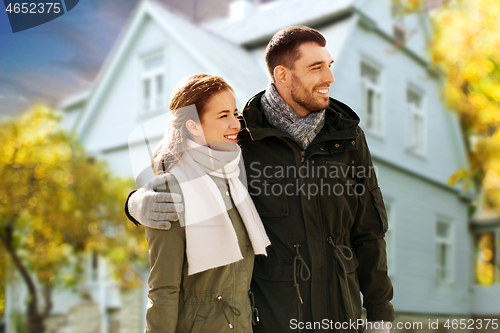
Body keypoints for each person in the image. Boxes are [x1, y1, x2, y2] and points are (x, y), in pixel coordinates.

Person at [126, 27, 394, 333]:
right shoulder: (242, 135)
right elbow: (182, 163)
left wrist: (379, 312)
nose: (329, 78)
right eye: (316, 68)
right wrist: (135, 202)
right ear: (282, 75)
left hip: (340, 314)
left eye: (329, 66)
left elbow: (369, 230)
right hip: (270, 317)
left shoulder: (348, 136)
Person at [134, 74, 271, 333]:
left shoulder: (234, 179)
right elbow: (163, 289)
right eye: (223, 116)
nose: (235, 124)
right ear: (193, 126)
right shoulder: (170, 189)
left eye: (234, 113)